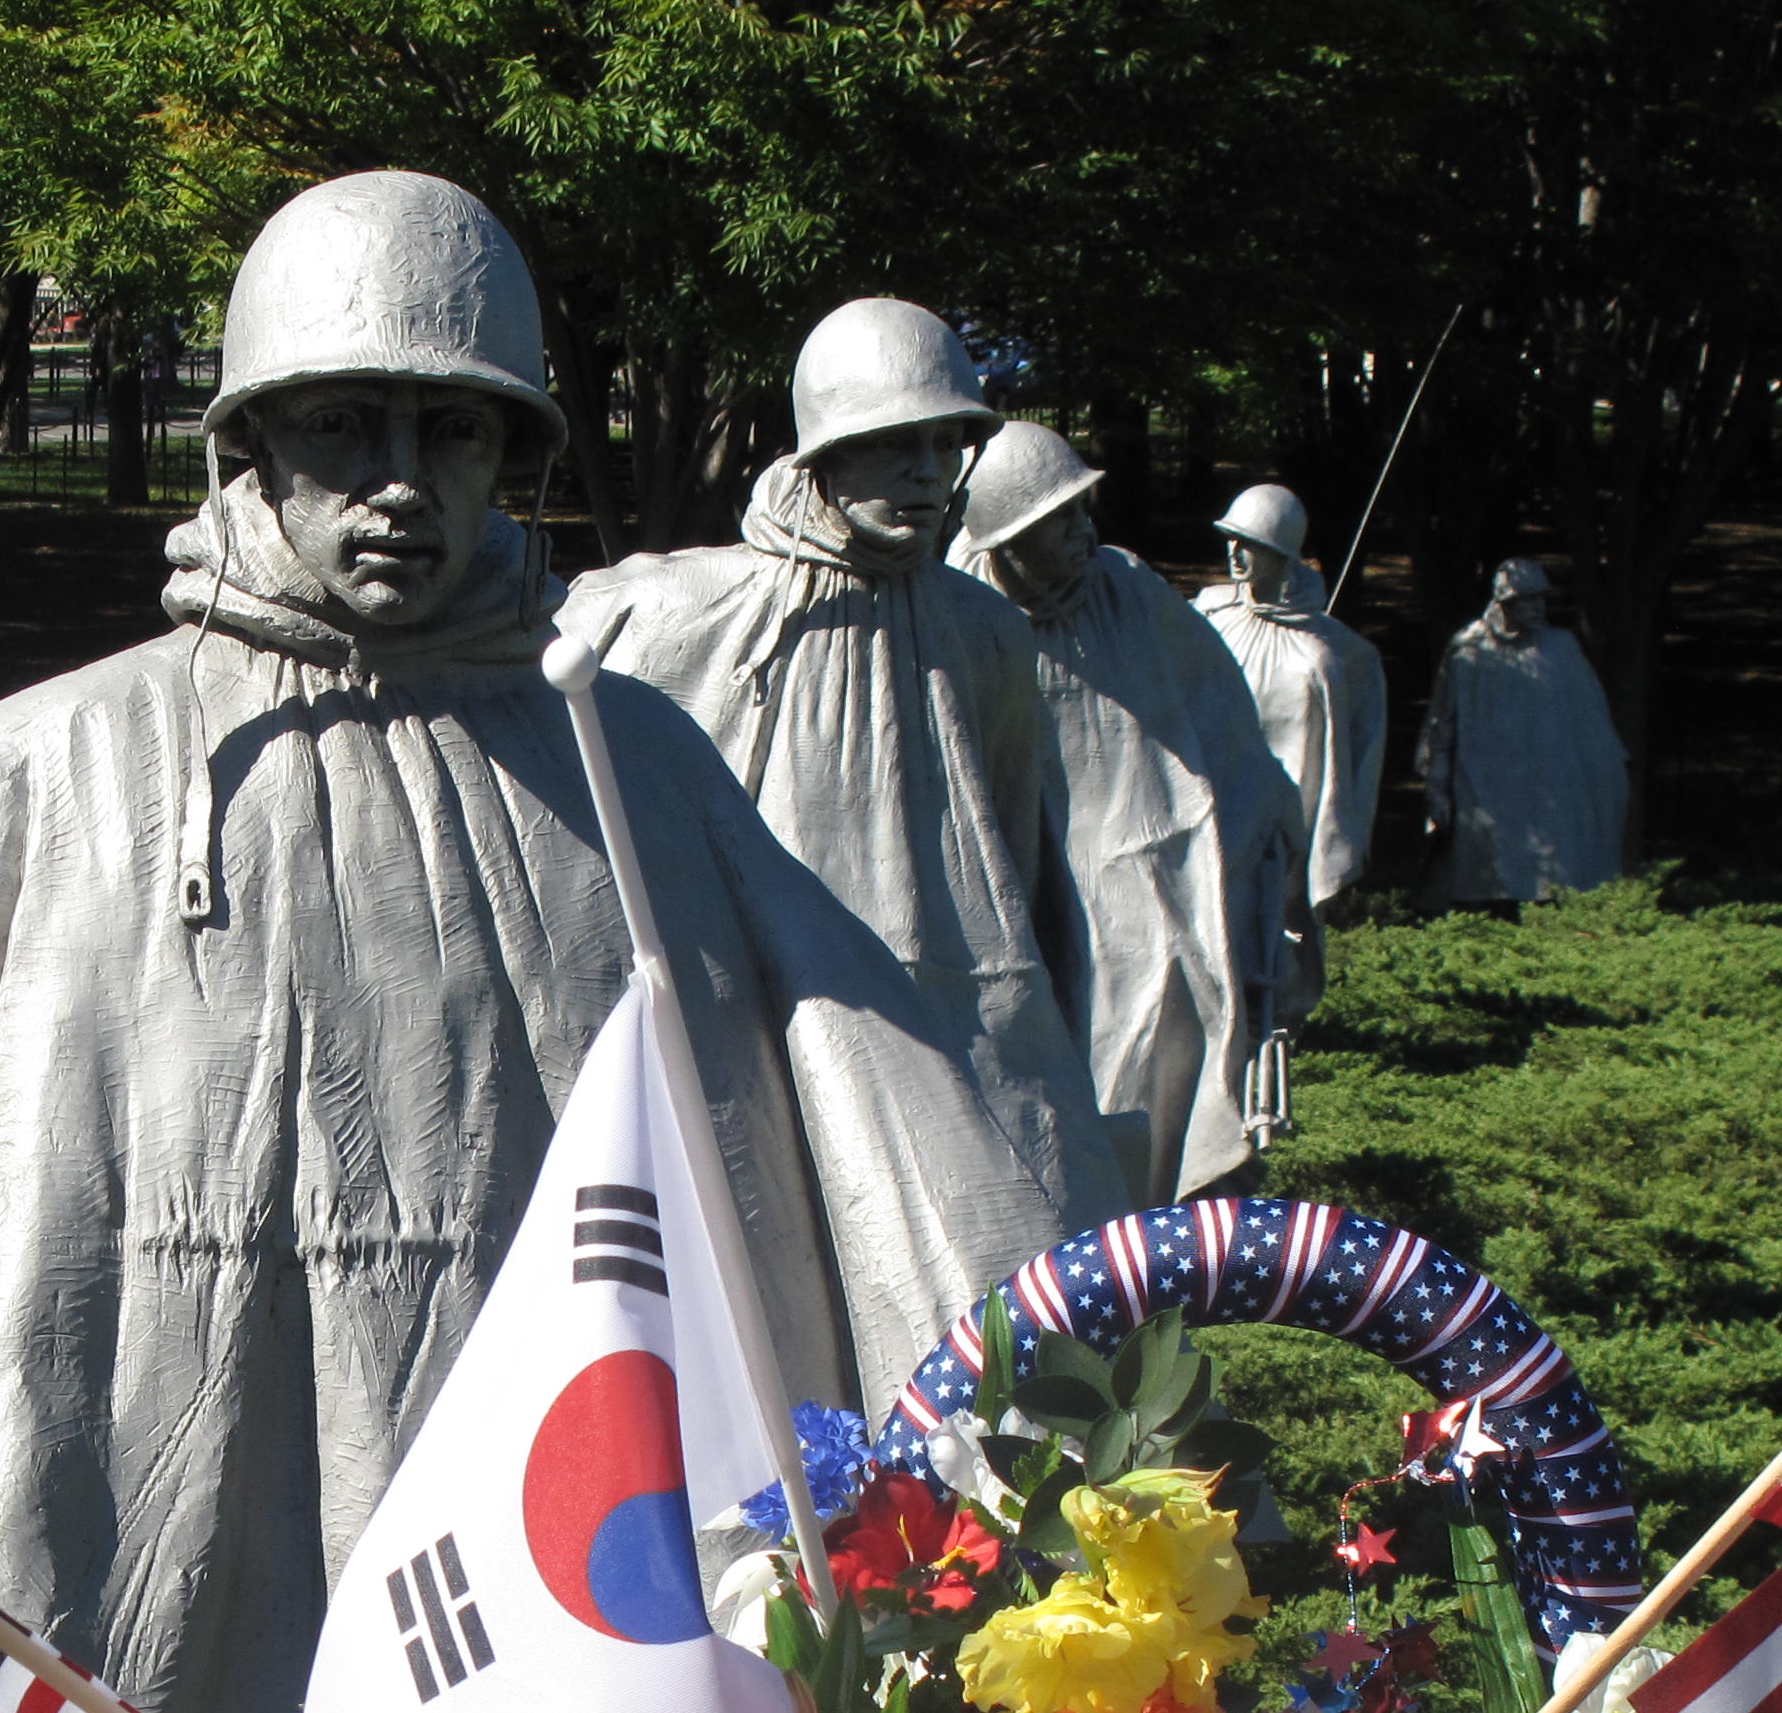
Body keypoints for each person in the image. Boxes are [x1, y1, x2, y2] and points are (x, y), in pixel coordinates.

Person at [0, 172, 1123, 1713]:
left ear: (510, 459)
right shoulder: (46, 772)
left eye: (453, 432)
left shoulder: (629, 773)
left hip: (531, 1592)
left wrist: (1034, 1437)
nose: (400, 485)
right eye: (344, 425)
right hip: (127, 1555)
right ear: (252, 444)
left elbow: (872, 1124)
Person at [559, 296, 1115, 1181]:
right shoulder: (676, 611)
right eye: (895, 444)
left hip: (949, 1030)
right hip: (749, 1028)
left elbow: (1019, 858)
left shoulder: (985, 632)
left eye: (945, 446)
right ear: (826, 453)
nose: (927, 473)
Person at [956, 422, 1310, 1201]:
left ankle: (1153, 1234)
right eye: (1060, 522)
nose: (1085, 532)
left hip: (1156, 885)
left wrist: (1266, 828)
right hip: (1028, 888)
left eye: (1085, 511)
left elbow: (1222, 719)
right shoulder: (959, 613)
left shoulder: (1131, 591)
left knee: (1156, 1060)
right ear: (1010, 539)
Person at [1197, 483, 1388, 908]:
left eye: (1248, 544)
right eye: (1230, 540)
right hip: (1211, 806)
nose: (1234, 554)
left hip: (1275, 827)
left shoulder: (1317, 658)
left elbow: (1334, 759)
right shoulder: (1208, 618)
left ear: (1280, 553)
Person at [1416, 558, 1628, 907]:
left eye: (1540, 599)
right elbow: (1443, 721)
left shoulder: (1560, 649)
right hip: (1488, 784)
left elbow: (1588, 717)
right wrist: (1436, 783)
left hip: (1549, 783)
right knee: (1492, 872)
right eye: (1525, 600)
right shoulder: (1470, 651)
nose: (1535, 608)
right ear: (1503, 602)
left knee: (1552, 872)